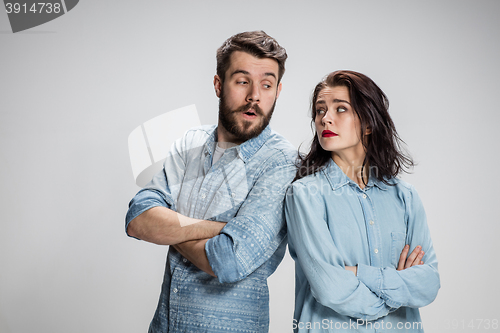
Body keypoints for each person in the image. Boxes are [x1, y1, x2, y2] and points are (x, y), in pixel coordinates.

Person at [125, 31, 296, 333]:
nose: (254, 95)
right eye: (242, 81)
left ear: (278, 91)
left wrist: (170, 229)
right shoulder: (191, 143)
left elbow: (228, 261)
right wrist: (219, 230)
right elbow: (138, 219)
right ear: (219, 85)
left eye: (266, 84)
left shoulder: (281, 163)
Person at [285, 70, 440, 332]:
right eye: (320, 110)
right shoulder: (304, 195)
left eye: (341, 109)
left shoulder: (405, 197)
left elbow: (428, 283)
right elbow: (331, 289)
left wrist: (357, 273)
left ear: (368, 123)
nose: (326, 119)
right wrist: (397, 290)